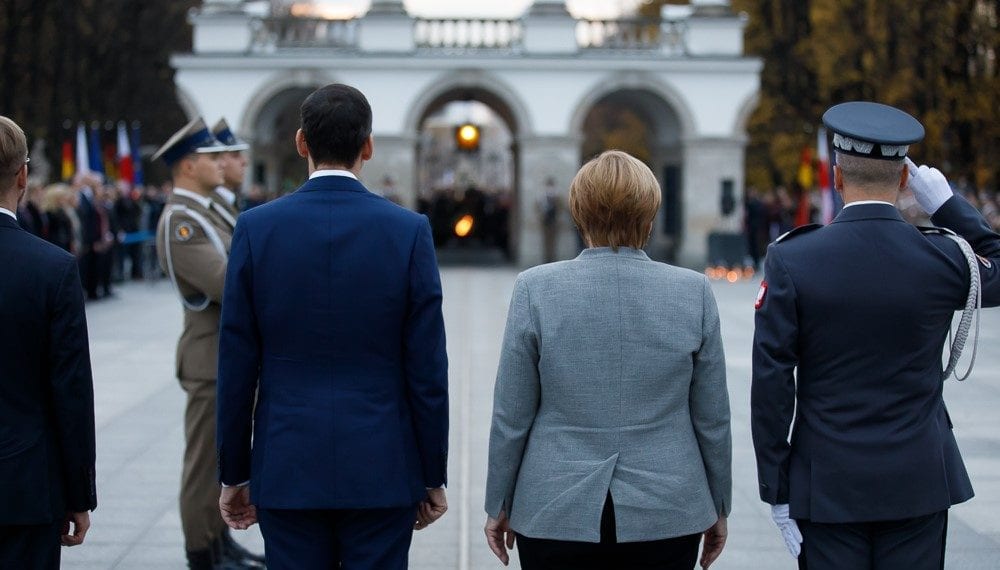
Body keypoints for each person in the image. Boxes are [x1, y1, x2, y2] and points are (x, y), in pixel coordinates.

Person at [751, 101, 1000, 570]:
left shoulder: (793, 259)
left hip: (827, 483)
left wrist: (776, 488)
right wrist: (948, 206)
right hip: (918, 480)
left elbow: (772, 383)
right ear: (906, 180)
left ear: (837, 178)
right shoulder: (943, 258)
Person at [217, 83, 450, 569]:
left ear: (301, 142)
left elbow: (237, 365)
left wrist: (234, 471)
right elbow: (427, 369)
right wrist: (432, 473)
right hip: (382, 464)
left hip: (288, 461)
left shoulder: (256, 228)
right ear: (368, 146)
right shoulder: (408, 231)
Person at [484, 150, 731, 569]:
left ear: (579, 213)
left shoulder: (535, 289)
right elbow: (712, 418)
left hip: (554, 503)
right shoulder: (693, 292)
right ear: (649, 215)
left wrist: (499, 500)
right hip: (668, 505)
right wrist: (719, 503)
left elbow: (512, 414)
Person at [152, 118, 258, 570]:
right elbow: (225, 282)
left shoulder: (206, 212)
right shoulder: (182, 221)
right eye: (212, 157)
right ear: (189, 166)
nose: (224, 163)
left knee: (222, 459)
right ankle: (202, 554)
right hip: (207, 356)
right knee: (204, 466)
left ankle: (220, 544)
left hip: (224, 355)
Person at [0, 115, 97, 568]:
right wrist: (79, 493)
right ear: (23, 176)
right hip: (22, 484)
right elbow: (69, 390)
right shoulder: (51, 268)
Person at [210, 118, 248, 224]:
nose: (244, 162)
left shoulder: (231, 200)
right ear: (218, 160)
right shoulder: (211, 204)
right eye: (235, 156)